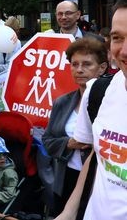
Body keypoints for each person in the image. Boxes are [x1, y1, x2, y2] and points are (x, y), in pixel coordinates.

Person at [55, 0, 127, 220]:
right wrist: (68, 212)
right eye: (117, 38)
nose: (123, 51)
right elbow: (97, 155)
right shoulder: (98, 92)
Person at [42, 38, 107, 215]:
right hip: (66, 179)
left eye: (87, 64)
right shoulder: (62, 102)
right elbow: (47, 141)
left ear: (102, 67)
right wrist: (69, 144)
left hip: (100, 184)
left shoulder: (112, 103)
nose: (79, 70)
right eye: (74, 64)